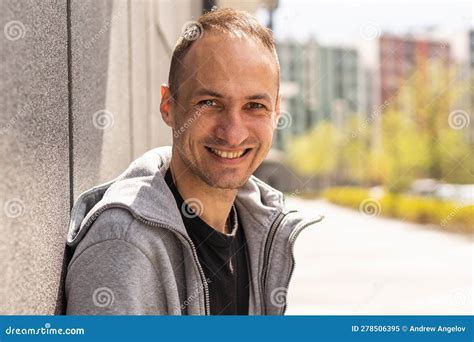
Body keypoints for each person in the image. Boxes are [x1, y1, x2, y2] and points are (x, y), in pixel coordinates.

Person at [65, 7, 323, 315]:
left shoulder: (255, 225)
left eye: (255, 105)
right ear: (168, 106)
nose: (233, 133)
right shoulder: (123, 248)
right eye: (209, 103)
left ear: (276, 112)